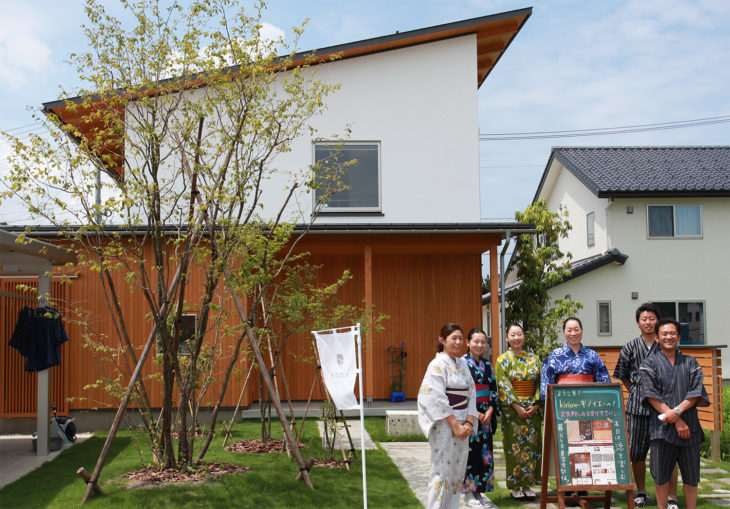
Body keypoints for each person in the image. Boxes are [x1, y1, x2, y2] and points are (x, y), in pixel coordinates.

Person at [613, 303, 679, 508]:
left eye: (652, 318)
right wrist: (638, 391)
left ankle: (671, 497)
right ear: (638, 322)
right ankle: (640, 492)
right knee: (637, 452)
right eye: (644, 319)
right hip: (637, 408)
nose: (648, 322)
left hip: (664, 407)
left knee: (669, 452)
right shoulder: (630, 347)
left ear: (657, 321)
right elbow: (623, 377)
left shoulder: (667, 345)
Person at [640, 318, 709, 509]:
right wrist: (676, 420)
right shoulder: (649, 364)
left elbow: (696, 393)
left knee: (691, 476)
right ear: (657, 338)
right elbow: (651, 396)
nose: (668, 337)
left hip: (690, 428)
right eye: (664, 334)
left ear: (678, 337)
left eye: (672, 333)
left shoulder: (690, 362)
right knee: (661, 475)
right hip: (661, 429)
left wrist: (677, 411)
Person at [418, 323, 478, 509]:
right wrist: (454, 424)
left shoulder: (463, 364)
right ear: (442, 340)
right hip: (444, 424)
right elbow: (435, 396)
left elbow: (471, 392)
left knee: (458, 472)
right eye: (454, 338)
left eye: (461, 338)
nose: (458, 342)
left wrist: (469, 421)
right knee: (442, 471)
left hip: (463, 423)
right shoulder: (436, 364)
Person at [494, 323, 542, 501]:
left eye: (519, 334)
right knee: (514, 449)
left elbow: (540, 384)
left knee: (531, 447)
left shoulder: (534, 359)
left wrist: (536, 405)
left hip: (532, 410)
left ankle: (528, 484)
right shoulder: (502, 360)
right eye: (512, 335)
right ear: (507, 338)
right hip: (513, 412)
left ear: (524, 337)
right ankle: (515, 485)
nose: (516, 338)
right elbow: (502, 385)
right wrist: (517, 406)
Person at [461, 327, 498, 507]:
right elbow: (461, 391)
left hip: (486, 416)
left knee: (485, 454)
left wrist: (490, 411)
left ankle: (480, 492)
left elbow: (493, 390)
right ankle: (468, 493)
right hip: (469, 412)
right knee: (470, 453)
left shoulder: (488, 365)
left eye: (483, 342)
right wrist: (475, 412)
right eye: (476, 341)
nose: (480, 345)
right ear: (468, 343)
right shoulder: (461, 363)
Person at [540, 316, 611, 401]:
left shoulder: (592, 355)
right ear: (564, 332)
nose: (573, 333)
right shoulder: (555, 355)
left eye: (576, 330)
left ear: (582, 331)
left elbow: (604, 381)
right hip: (562, 403)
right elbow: (546, 382)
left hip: (589, 402)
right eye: (569, 330)